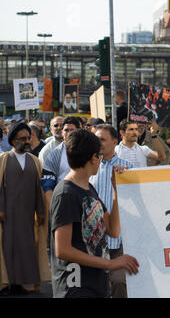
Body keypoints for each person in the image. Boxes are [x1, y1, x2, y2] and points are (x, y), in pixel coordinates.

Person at [49, 129, 139, 298]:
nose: (101, 159)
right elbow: (63, 250)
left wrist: (116, 192)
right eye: (99, 155)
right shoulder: (66, 194)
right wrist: (110, 263)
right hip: (76, 287)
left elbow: (113, 230)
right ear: (93, 158)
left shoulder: (88, 188)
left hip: (96, 283)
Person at [0, 123, 48, 295]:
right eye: (22, 139)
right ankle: (7, 283)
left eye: (28, 138)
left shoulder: (35, 161)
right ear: (13, 140)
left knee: (27, 248)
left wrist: (41, 211)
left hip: (28, 215)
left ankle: (24, 283)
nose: (27, 141)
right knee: (8, 248)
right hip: (8, 214)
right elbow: (0, 188)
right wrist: (1, 209)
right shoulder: (3, 159)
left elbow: (38, 189)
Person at [89, 124, 133, 298]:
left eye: (102, 139)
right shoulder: (89, 167)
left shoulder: (127, 167)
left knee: (119, 281)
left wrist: (126, 179)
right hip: (93, 237)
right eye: (95, 139)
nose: (98, 143)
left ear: (115, 141)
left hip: (119, 238)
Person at [41, 116, 81, 210]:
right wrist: (54, 208)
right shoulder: (54, 154)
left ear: (79, 131)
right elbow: (47, 185)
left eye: (72, 130)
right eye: (66, 130)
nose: (69, 133)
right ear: (62, 132)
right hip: (63, 202)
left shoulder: (88, 151)